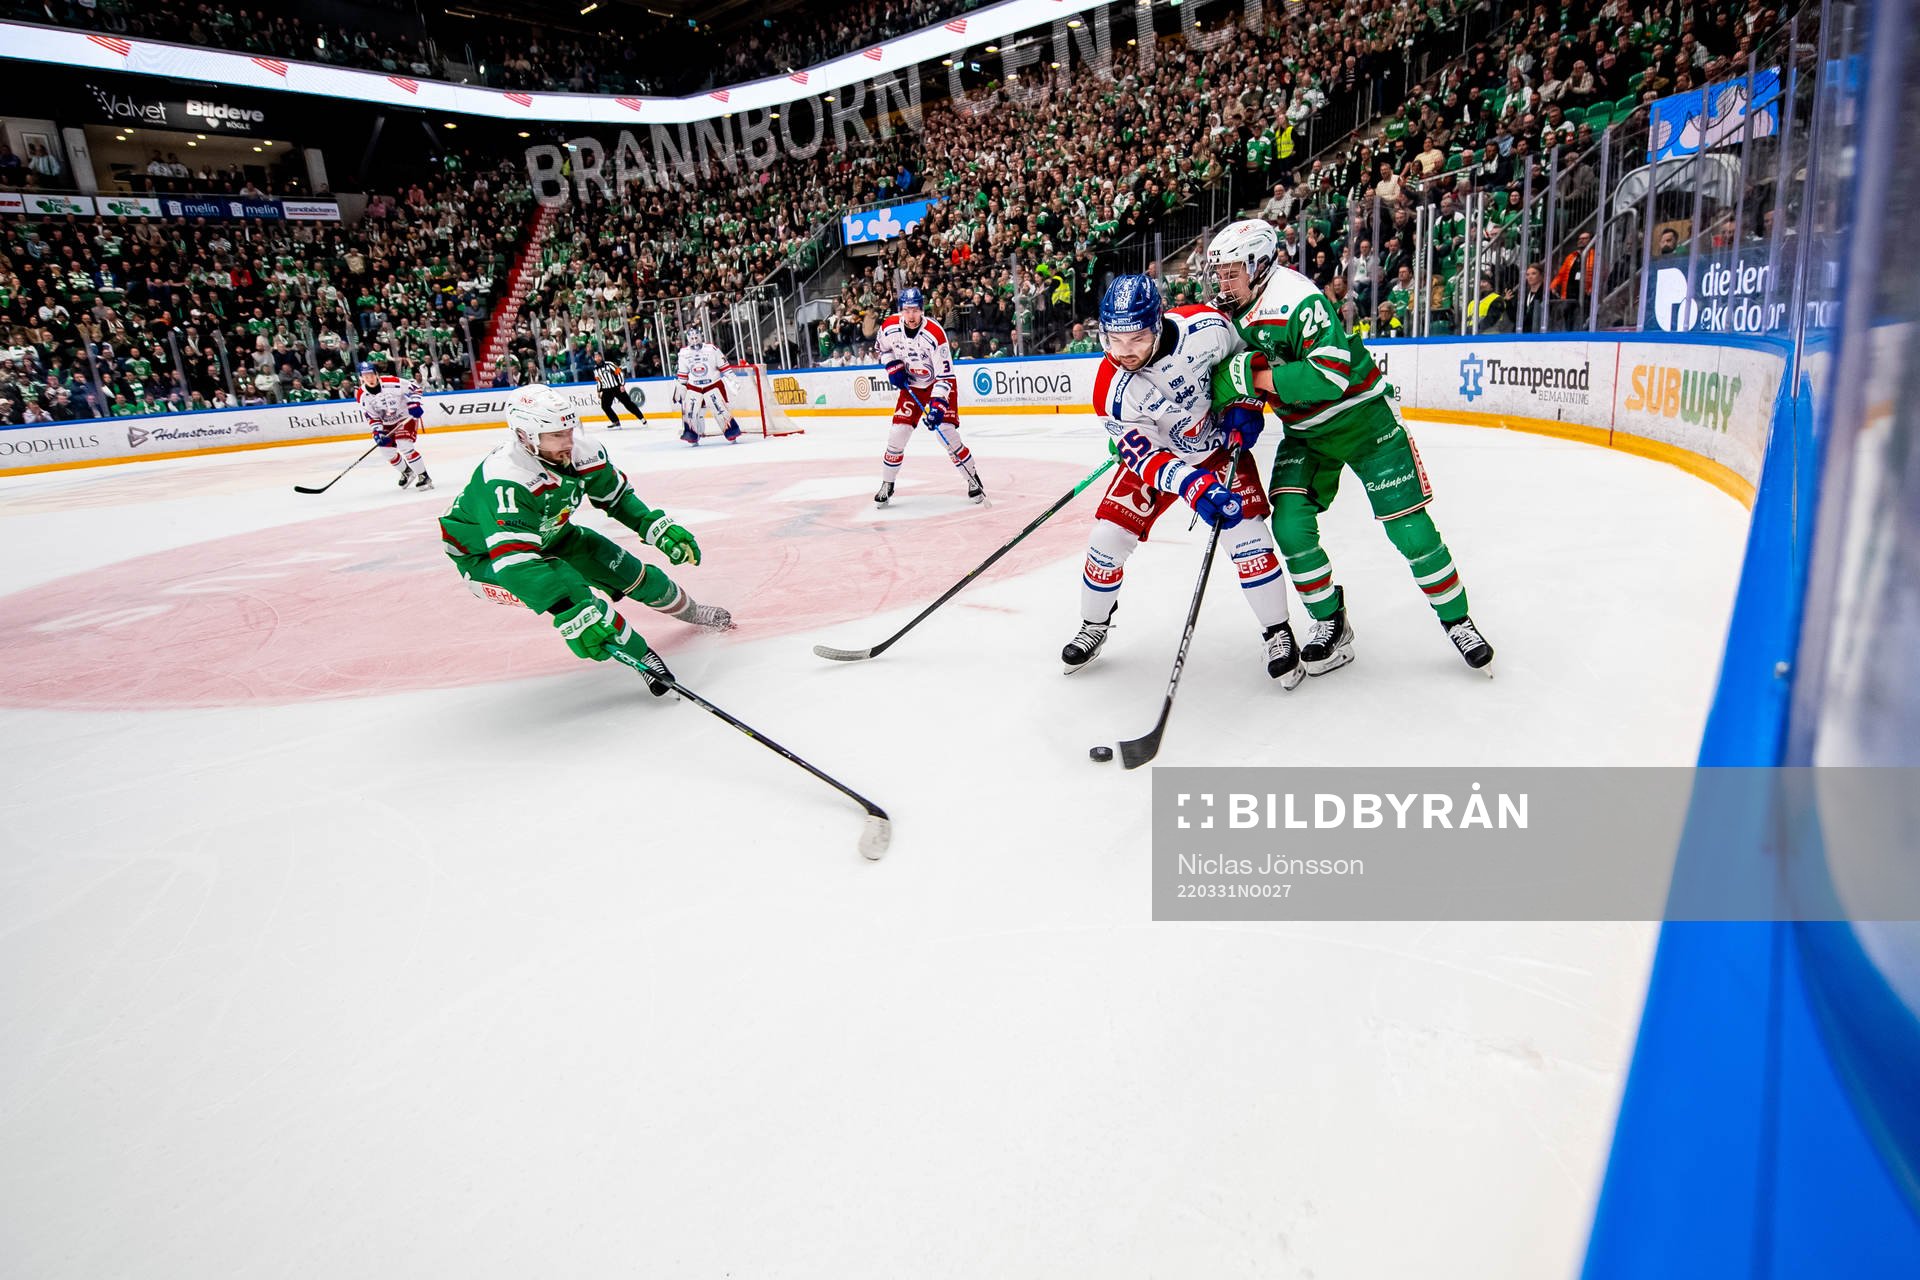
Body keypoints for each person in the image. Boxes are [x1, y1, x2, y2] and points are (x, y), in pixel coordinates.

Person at [1205, 218, 1494, 673]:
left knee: (1410, 530)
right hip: (1306, 434)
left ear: (1259, 264)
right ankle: (1331, 622)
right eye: (1218, 274)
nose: (1223, 283)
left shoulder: (1296, 299)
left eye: (1231, 272)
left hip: (1365, 424)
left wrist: (1254, 379)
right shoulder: (1230, 312)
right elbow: (1218, 376)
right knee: (1291, 527)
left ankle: (1458, 621)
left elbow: (1330, 374)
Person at [1064, 274, 1301, 686]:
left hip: (1217, 448)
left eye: (1136, 339)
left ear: (1157, 323)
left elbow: (1246, 354)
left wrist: (1246, 402)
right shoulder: (1110, 386)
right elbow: (1147, 458)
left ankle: (1278, 631)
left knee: (1249, 541)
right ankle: (1094, 625)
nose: (1124, 353)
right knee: (1106, 538)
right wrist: (1192, 485)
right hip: (1164, 458)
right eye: (1113, 341)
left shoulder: (1206, 327)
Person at [437, 385, 732, 694]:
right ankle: (643, 659)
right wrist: (569, 613)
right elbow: (517, 562)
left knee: (631, 573)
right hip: (486, 558)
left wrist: (653, 525)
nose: (567, 442)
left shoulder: (583, 450)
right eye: (554, 436)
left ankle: (694, 611)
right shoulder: (506, 479)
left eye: (567, 430)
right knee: (575, 596)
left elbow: (616, 498)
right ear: (525, 437)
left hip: (554, 535)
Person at [871, 286, 983, 507]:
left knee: (946, 435)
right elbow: (881, 350)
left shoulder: (935, 333)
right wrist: (892, 366)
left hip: (937, 384)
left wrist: (938, 404)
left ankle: (972, 479)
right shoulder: (889, 327)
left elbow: (945, 375)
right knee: (897, 433)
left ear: (922, 310)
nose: (911, 315)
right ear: (901, 310)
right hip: (912, 386)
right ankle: (887, 483)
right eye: (907, 310)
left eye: (915, 310)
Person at [355, 360, 432, 489]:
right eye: (365, 376)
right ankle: (407, 472)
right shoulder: (361, 395)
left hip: (404, 417)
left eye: (371, 374)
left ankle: (423, 476)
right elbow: (372, 416)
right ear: (361, 378)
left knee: (405, 445)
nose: (369, 378)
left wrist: (415, 403)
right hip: (386, 423)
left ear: (376, 374)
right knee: (387, 452)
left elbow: (415, 388)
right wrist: (378, 431)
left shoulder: (392, 382)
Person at [673, 327, 737, 445]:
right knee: (691, 412)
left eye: (696, 337)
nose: (694, 340)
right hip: (694, 386)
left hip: (713, 384)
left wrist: (732, 378)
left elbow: (724, 366)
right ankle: (692, 435)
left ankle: (732, 433)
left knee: (721, 410)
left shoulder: (712, 349)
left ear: (701, 337)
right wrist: (680, 388)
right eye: (691, 338)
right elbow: (682, 374)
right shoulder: (683, 353)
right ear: (687, 339)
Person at [593, 349, 644, 429]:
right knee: (605, 406)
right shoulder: (595, 369)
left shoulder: (609, 364)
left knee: (628, 404)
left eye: (599, 356)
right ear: (594, 359)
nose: (597, 358)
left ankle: (641, 418)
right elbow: (599, 381)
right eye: (596, 357)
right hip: (607, 390)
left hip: (616, 387)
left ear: (601, 357)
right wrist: (599, 391)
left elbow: (619, 373)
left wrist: (622, 384)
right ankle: (616, 422)